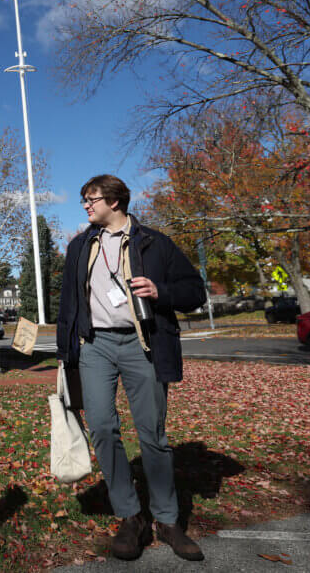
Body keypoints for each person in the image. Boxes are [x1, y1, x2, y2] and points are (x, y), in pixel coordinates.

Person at [57, 174, 206, 562]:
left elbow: (194, 291)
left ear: (115, 202)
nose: (87, 206)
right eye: (84, 201)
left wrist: (161, 293)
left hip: (143, 344)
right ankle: (129, 516)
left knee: (151, 433)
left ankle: (168, 520)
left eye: (91, 199)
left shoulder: (155, 243)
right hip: (96, 346)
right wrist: (65, 354)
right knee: (102, 427)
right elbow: (68, 305)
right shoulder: (79, 246)